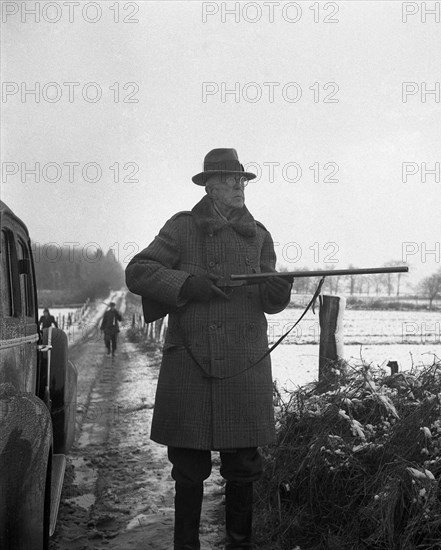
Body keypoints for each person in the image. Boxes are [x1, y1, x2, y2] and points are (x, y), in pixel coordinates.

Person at [125, 148, 292, 550]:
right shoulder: (181, 229)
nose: (240, 186)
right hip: (191, 363)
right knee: (188, 468)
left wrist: (278, 294)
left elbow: (268, 298)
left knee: (243, 469)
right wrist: (186, 285)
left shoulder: (261, 235)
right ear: (210, 186)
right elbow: (138, 271)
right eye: (231, 179)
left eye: (243, 180)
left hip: (244, 364)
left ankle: (240, 544)